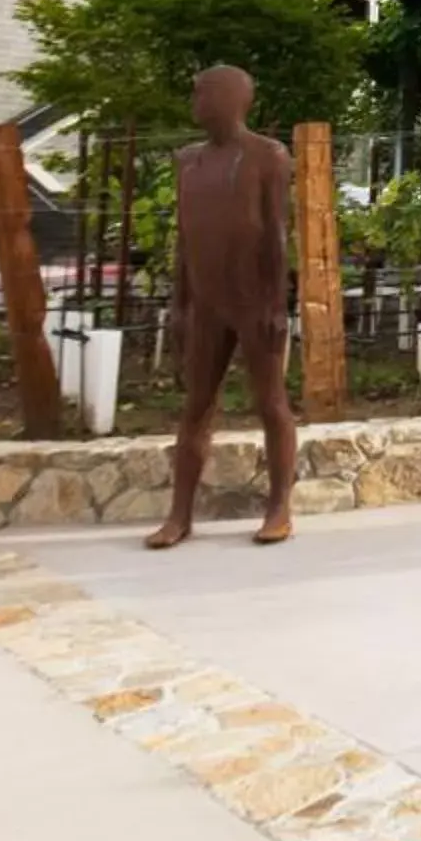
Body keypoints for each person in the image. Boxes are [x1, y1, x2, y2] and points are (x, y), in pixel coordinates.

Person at [146, 64, 299, 549]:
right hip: (206, 304)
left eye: (202, 92)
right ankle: (179, 515)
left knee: (271, 403)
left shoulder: (267, 156)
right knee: (195, 406)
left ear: (231, 99)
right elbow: (184, 239)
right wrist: (179, 302)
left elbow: (277, 234)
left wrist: (278, 303)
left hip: (254, 302)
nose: (194, 99)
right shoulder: (187, 160)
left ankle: (279, 508)